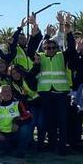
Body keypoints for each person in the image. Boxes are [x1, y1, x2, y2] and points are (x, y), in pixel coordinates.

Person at [27, 13, 76, 155]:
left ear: (57, 48)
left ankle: (62, 146)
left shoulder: (62, 56)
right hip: (46, 93)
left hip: (61, 93)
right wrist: (34, 31)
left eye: (53, 47)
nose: (50, 49)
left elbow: (72, 48)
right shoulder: (40, 57)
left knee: (62, 121)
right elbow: (30, 50)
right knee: (49, 121)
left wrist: (68, 31)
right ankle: (51, 144)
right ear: (43, 48)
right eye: (47, 47)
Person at [0, 85, 33, 158]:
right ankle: (8, 147)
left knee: (25, 129)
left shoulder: (18, 103)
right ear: (0, 94)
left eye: (9, 91)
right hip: (2, 135)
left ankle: (20, 151)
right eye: (5, 91)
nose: (8, 93)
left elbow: (29, 116)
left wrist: (17, 122)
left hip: (15, 133)